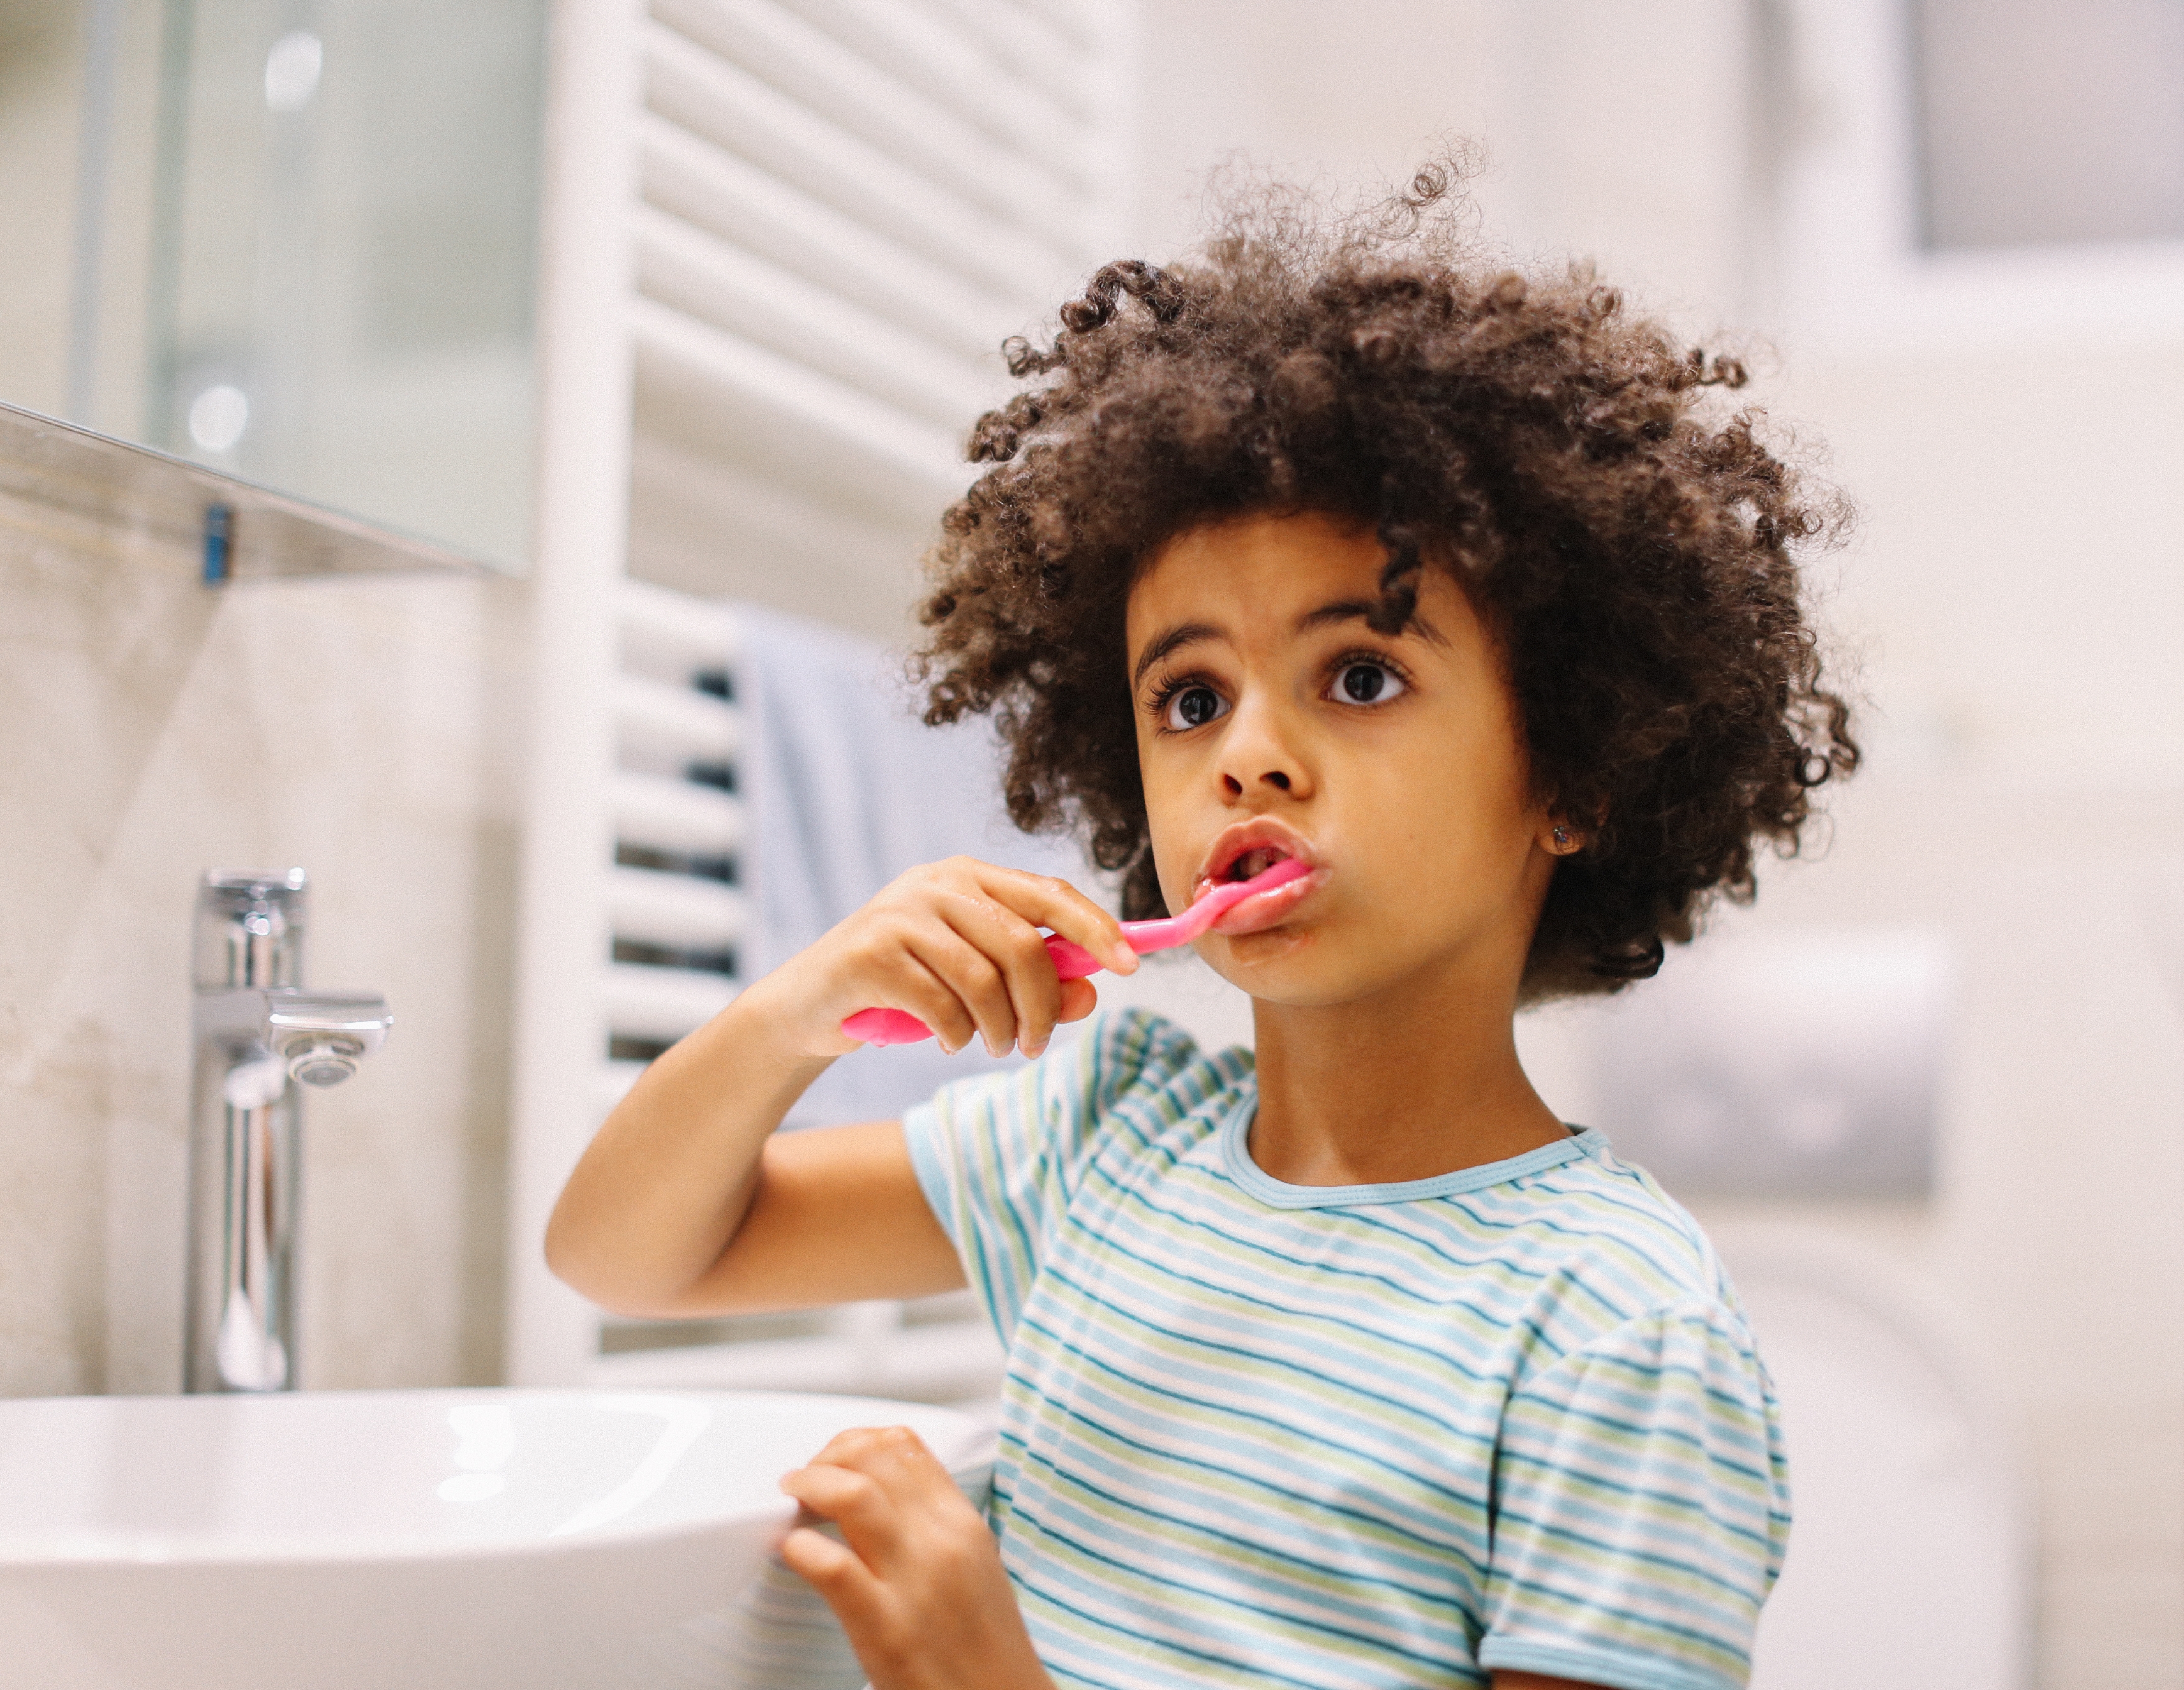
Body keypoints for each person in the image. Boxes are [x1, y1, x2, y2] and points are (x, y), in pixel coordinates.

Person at [547, 159, 1856, 1690]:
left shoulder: (1610, 1326)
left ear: (1570, 771)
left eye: (1358, 675)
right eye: (1187, 696)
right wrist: (797, 1016)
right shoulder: (1101, 1144)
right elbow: (622, 1254)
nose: (1245, 749)